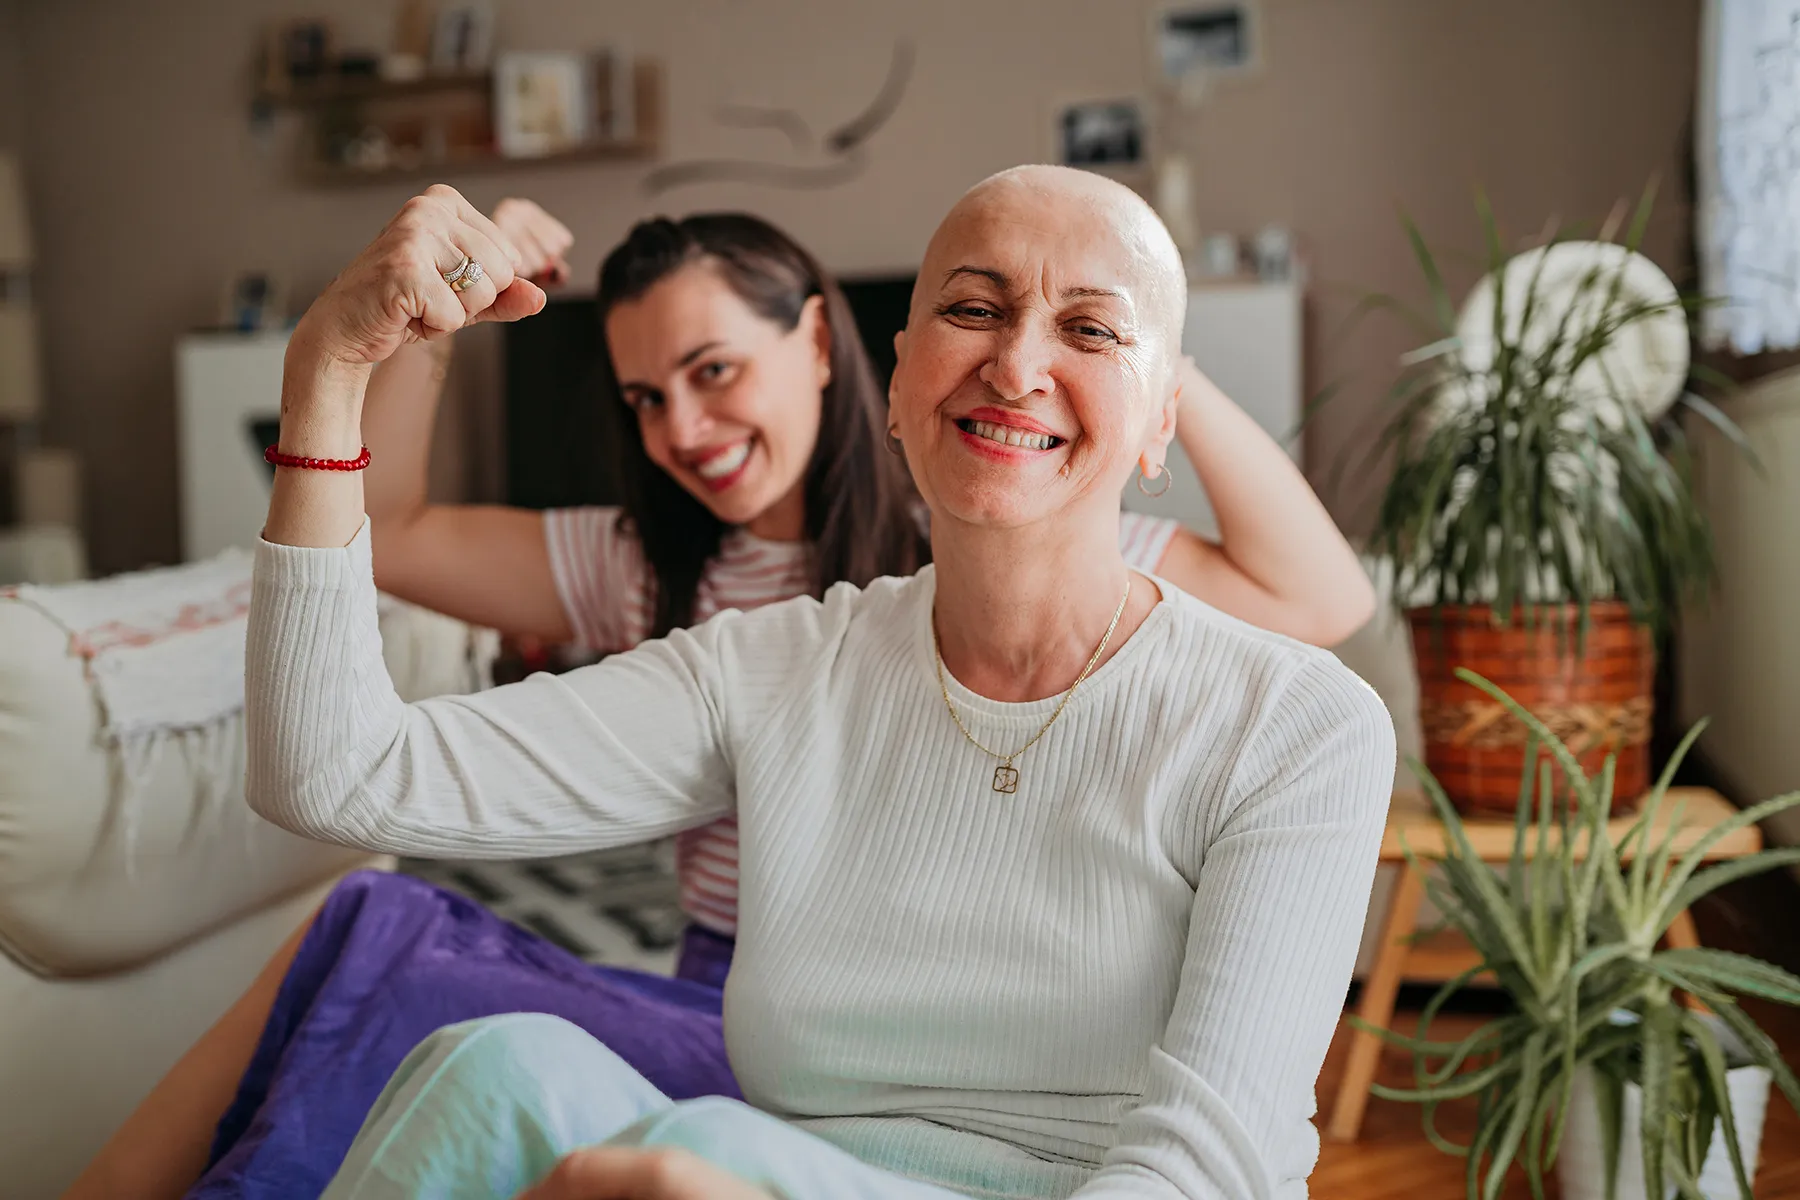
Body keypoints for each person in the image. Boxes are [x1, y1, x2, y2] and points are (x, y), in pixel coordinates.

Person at [60, 194, 1375, 1200]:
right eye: (976, 312)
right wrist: (329, 374)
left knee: (683, 1155)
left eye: (1089, 328)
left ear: (1157, 422)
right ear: (901, 371)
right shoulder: (771, 656)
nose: (1020, 362)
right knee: (493, 1061)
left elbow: (1216, 1164)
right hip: (791, 1143)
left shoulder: (1287, 721)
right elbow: (335, 777)